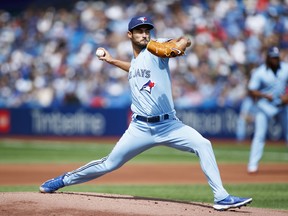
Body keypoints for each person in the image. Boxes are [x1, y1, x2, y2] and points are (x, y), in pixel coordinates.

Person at [39, 15, 252, 211]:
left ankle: (221, 197)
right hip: (140, 128)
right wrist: (112, 61)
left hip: (169, 125)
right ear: (129, 35)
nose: (144, 33)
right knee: (109, 163)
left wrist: (181, 44)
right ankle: (62, 180)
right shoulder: (138, 60)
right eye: (139, 30)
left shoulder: (155, 48)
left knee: (203, 144)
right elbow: (134, 69)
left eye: (146, 30)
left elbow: (182, 40)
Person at [247, 46, 288, 173]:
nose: (275, 60)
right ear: (268, 58)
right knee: (259, 135)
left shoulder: (285, 68)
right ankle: (252, 165)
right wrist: (263, 95)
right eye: (272, 57)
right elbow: (251, 90)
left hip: (281, 105)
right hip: (264, 106)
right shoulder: (260, 72)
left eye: (276, 57)